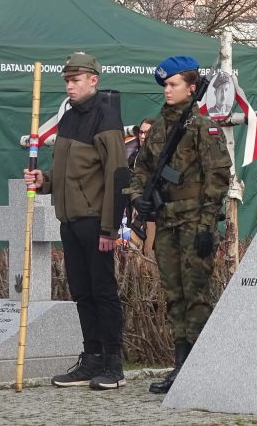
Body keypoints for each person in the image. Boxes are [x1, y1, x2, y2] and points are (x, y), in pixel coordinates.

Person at [23, 52, 127, 390]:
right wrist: (45, 180)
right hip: (69, 219)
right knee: (82, 293)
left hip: (96, 220)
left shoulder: (106, 117)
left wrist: (111, 228)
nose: (69, 85)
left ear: (93, 80)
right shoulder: (67, 118)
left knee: (103, 292)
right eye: (67, 80)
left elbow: (117, 175)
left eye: (76, 79)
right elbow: (73, 171)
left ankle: (114, 364)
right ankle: (92, 357)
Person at [129, 56, 233, 394]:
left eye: (173, 84)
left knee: (196, 295)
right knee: (174, 296)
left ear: (191, 87)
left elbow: (217, 178)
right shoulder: (159, 127)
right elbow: (141, 169)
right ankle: (181, 365)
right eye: (166, 85)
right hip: (167, 222)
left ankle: (202, 367)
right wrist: (139, 198)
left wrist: (206, 227)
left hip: (193, 224)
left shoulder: (202, 127)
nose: (168, 91)